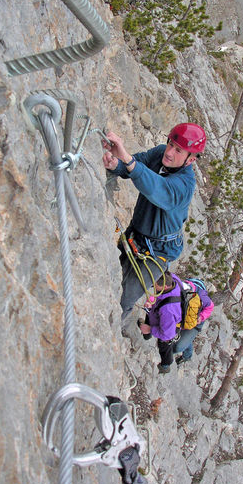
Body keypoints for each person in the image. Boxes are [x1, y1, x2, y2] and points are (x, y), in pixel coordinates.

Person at [102, 123, 206, 331]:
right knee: (109, 276)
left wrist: (127, 160)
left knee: (125, 297)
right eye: (171, 144)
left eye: (178, 150)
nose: (169, 152)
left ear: (191, 159)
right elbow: (135, 165)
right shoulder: (160, 154)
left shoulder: (184, 185)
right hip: (136, 234)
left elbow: (156, 188)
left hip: (157, 252)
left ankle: (108, 332)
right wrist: (117, 165)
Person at [138, 271, 182, 374]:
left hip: (169, 326)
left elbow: (167, 335)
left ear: (165, 287)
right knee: (150, 318)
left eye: (155, 285)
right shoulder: (172, 279)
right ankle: (147, 334)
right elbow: (159, 295)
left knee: (164, 346)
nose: (153, 286)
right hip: (157, 312)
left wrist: (150, 329)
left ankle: (165, 366)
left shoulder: (168, 310)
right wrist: (151, 300)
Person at [172, 278, 214, 366]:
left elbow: (210, 307)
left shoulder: (201, 296)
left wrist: (201, 317)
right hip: (182, 319)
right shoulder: (176, 289)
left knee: (177, 347)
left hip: (194, 323)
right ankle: (187, 342)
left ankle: (186, 356)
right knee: (182, 339)